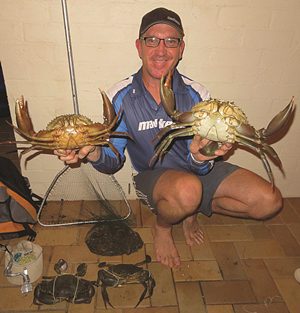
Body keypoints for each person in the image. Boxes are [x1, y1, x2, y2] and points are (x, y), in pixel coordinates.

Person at [55, 7, 283, 268]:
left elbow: (201, 160)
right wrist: (93, 152)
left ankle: (189, 209)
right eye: (151, 40)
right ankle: (163, 228)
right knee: (187, 190)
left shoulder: (197, 93)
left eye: (170, 41)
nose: (160, 49)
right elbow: (112, 161)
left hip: (198, 171)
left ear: (181, 48)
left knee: (269, 202)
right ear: (139, 47)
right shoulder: (119, 95)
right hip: (154, 176)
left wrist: (201, 156)